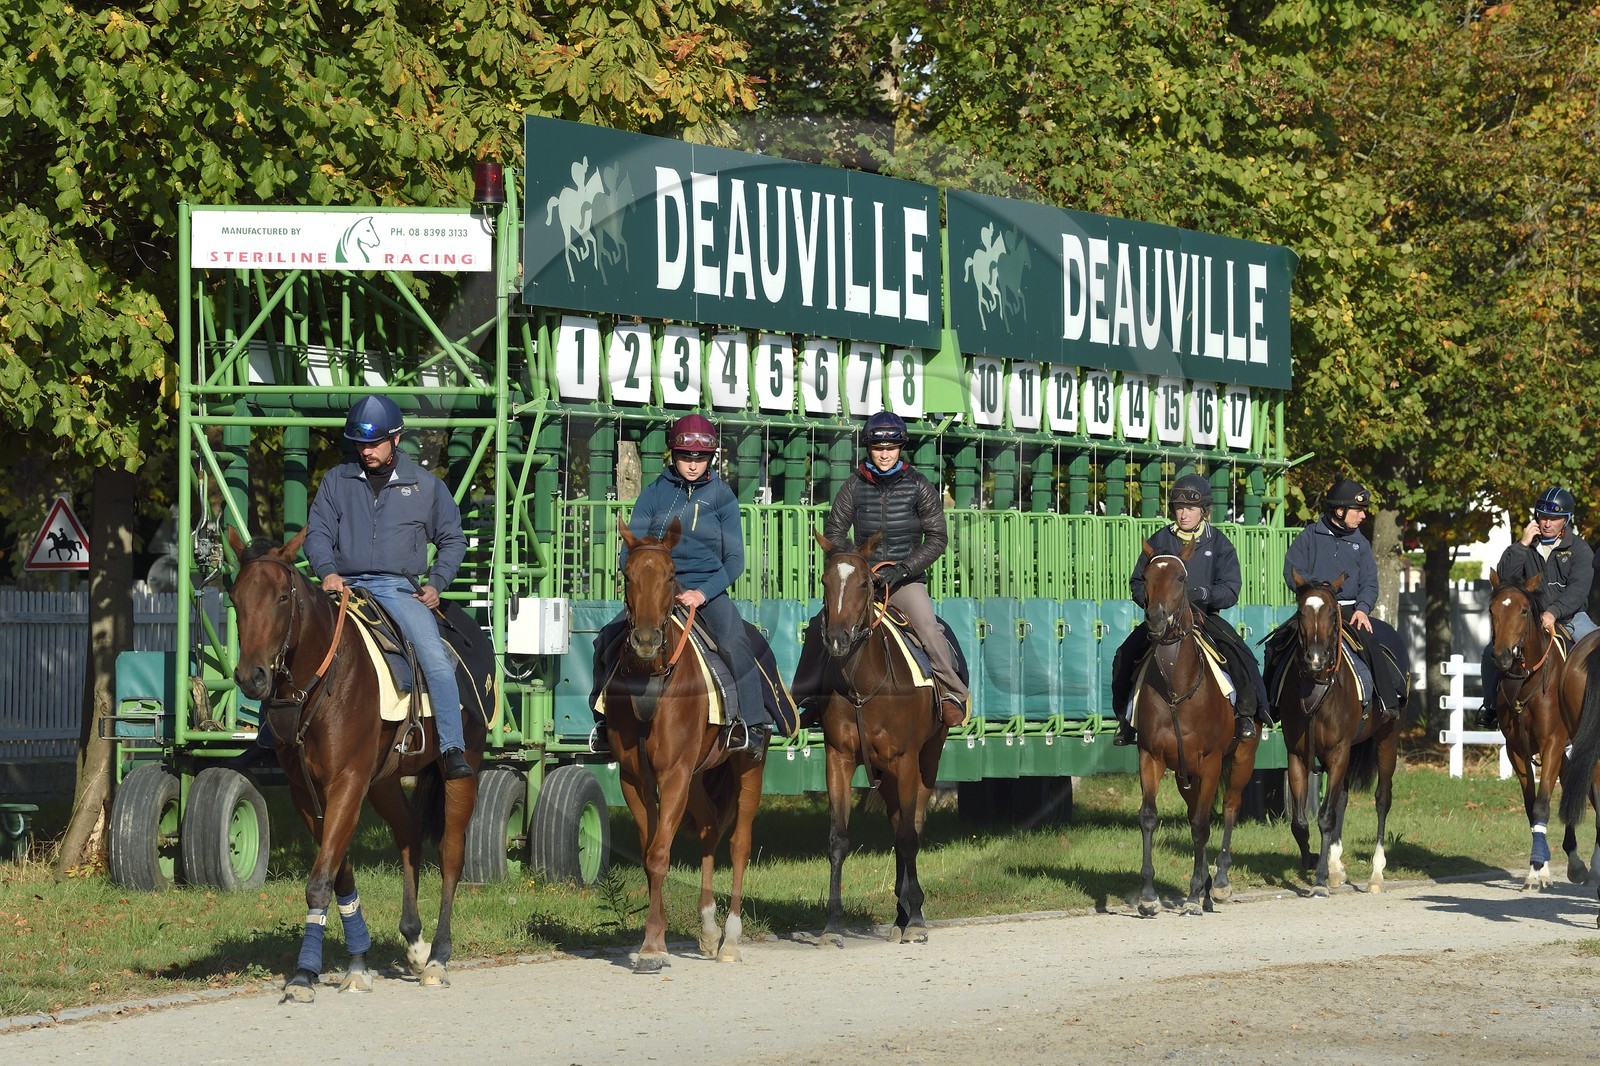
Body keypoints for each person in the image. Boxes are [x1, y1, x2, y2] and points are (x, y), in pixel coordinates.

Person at [302, 395, 473, 780]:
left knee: (437, 660)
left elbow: (453, 539)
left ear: (396, 440)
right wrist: (327, 571)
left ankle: (451, 747)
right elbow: (318, 535)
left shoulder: (427, 486)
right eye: (360, 444)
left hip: (399, 589)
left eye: (374, 443)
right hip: (344, 584)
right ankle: (270, 735)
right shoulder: (335, 481)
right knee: (290, 637)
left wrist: (437, 583)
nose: (366, 451)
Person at [589, 414, 773, 760]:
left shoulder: (722, 497)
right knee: (606, 639)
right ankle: (603, 723)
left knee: (735, 642)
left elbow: (735, 561)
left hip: (707, 590)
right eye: (686, 456)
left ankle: (753, 726)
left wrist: (702, 593)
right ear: (673, 455)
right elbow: (626, 554)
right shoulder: (654, 493)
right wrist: (649, 580)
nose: (693, 464)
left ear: (711, 459)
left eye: (701, 457)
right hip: (658, 588)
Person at [794, 410, 969, 728]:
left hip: (904, 582)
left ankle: (950, 694)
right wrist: (856, 564)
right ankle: (807, 699)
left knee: (928, 629)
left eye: (890, 448)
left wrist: (903, 569)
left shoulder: (919, 485)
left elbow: (937, 538)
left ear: (900, 447)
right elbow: (834, 532)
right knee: (821, 625)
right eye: (877, 448)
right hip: (862, 580)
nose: (884, 453)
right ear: (869, 449)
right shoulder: (853, 486)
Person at [1110, 474, 1271, 746]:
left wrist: (1204, 594)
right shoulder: (1159, 539)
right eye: (1179, 508)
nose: (1183, 514)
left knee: (1240, 654)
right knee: (1123, 656)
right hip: (1162, 619)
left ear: (1204, 511)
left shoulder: (1220, 544)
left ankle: (1247, 715)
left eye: (1191, 509)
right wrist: (1153, 603)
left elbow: (1231, 589)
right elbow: (1138, 581)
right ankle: (1126, 722)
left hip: (1205, 617)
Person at [1268, 478, 1410, 722]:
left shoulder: (1361, 543)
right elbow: (1292, 570)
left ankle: (1388, 702)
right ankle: (1271, 705)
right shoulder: (1308, 537)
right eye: (1358, 510)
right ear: (1339, 510)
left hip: (1349, 611)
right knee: (1277, 644)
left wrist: (1363, 608)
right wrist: (1319, 591)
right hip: (1314, 608)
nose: (1363, 516)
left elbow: (1370, 583)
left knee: (1371, 643)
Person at [1477, 487, 1595, 728]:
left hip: (1572, 617)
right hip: (1531, 620)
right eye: (1542, 516)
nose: (1547, 523)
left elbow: (1578, 590)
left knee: (1597, 649)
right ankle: (1490, 707)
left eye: (1553, 518)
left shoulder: (1580, 550)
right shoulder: (1526, 548)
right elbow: (1504, 581)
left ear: (1566, 520)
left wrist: (1554, 612)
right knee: (1490, 653)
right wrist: (1521, 545)